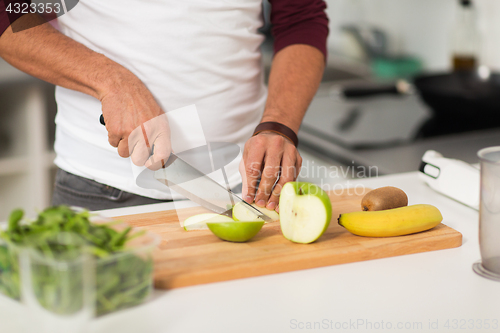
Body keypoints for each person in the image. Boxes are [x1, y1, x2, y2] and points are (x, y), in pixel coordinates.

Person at [0, 0, 329, 211]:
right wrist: (112, 82)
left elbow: (301, 19)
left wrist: (278, 123)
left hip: (244, 186)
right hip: (101, 190)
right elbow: (9, 19)